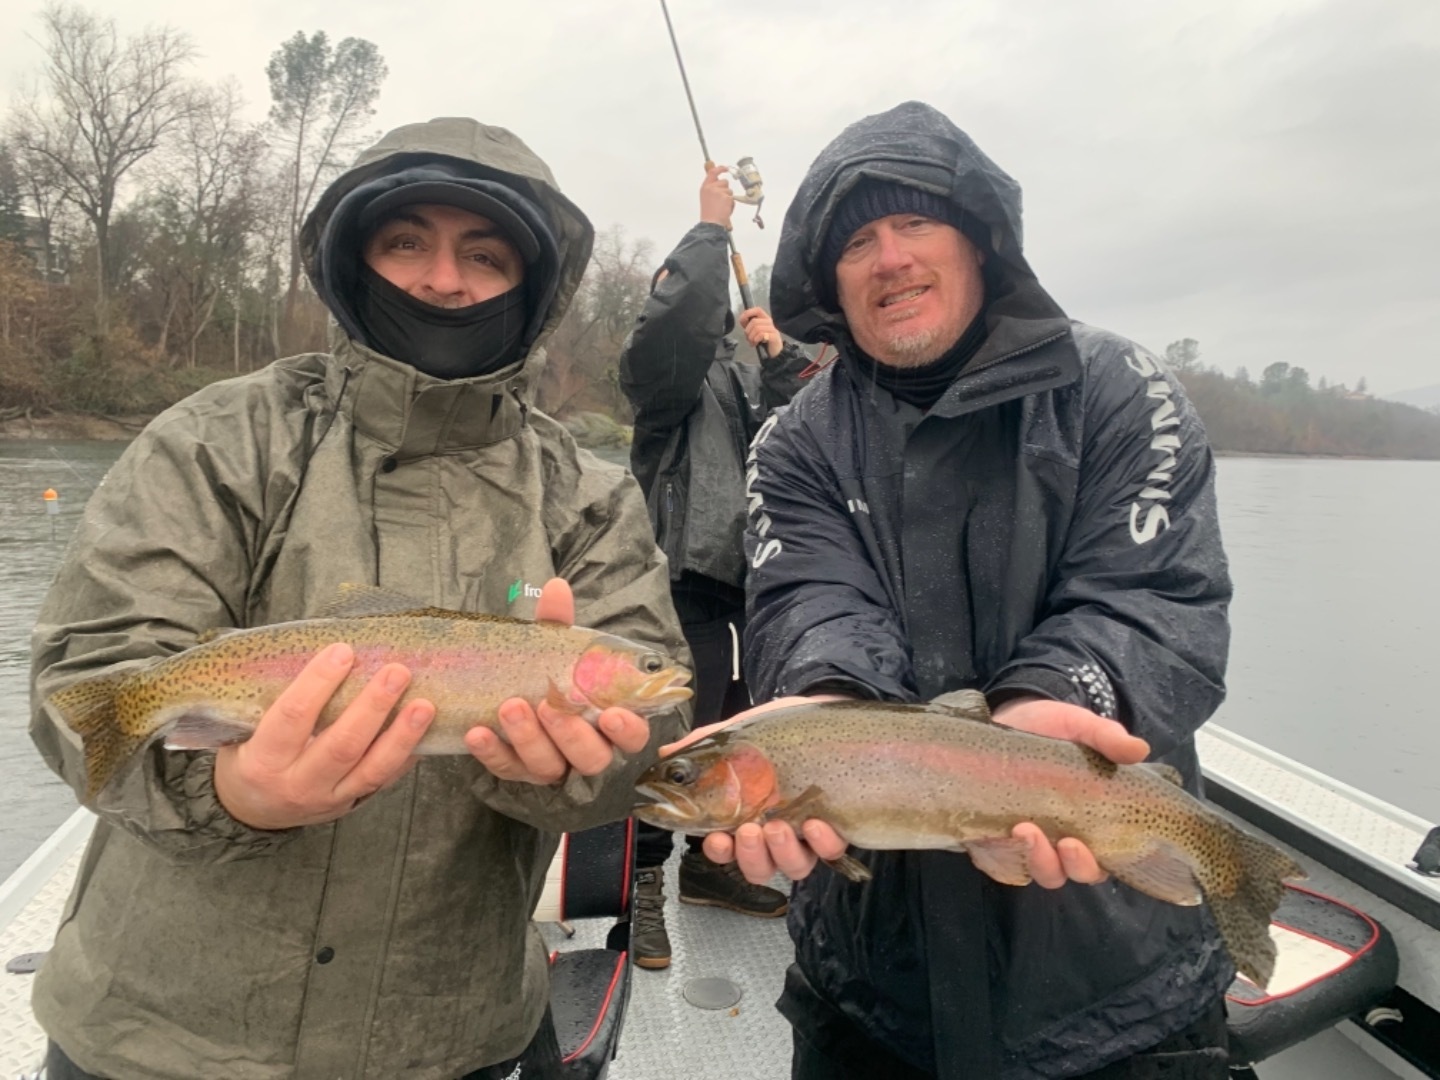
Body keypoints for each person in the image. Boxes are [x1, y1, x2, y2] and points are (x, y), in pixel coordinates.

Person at [29, 117, 689, 1080]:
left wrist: (571, 773)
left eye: (486, 255)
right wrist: (231, 794)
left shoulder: (588, 495)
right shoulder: (217, 439)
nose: (443, 279)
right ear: (355, 260)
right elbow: (84, 687)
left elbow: (647, 758)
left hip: (452, 1038)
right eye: (406, 242)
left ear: (532, 290)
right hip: (159, 1040)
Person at [704, 101, 1236, 1079]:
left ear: (981, 239)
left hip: (1117, 994)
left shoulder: (1124, 389)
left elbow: (1152, 600)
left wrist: (1060, 702)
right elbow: (808, 607)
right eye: (857, 240)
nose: (889, 257)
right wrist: (827, 708)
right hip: (866, 993)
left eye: (915, 223)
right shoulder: (793, 444)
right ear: (828, 281)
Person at [617, 163, 810, 969]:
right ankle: (643, 893)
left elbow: (811, 427)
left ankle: (712, 869)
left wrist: (783, 357)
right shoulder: (662, 377)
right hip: (680, 590)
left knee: (744, 738)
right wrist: (712, 229)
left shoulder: (745, 369)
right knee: (668, 747)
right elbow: (680, 322)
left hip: (757, 589)